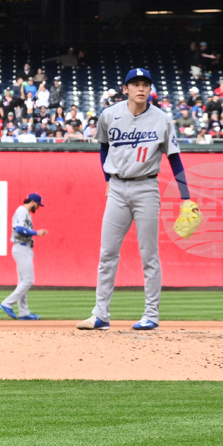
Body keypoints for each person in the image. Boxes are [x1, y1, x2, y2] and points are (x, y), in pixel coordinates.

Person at [77, 68, 195, 332]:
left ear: (150, 88)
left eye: (145, 84)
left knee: (149, 254)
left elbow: (174, 157)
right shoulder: (110, 114)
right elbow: (103, 147)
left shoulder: (162, 119)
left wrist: (186, 197)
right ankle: (100, 315)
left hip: (146, 188)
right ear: (126, 88)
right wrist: (107, 180)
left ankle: (151, 315)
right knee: (107, 253)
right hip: (117, 188)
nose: (140, 88)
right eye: (135, 84)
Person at [0, 193, 48, 320]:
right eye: (37, 205)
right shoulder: (22, 211)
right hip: (21, 248)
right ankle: (7, 303)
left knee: (23, 281)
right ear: (32, 202)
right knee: (28, 280)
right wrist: (36, 233)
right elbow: (19, 229)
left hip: (23, 248)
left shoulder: (25, 213)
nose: (37, 207)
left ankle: (24, 312)